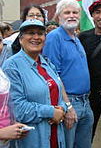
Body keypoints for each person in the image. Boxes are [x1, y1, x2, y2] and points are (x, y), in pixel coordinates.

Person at [2, 19, 66, 148]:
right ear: (20, 39)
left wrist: (63, 109)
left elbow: (59, 95)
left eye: (40, 33)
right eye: (30, 33)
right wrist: (51, 112)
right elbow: (17, 109)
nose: (36, 37)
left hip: (55, 135)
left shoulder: (46, 63)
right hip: (33, 139)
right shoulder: (11, 66)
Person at [43, 0, 94, 148]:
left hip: (85, 102)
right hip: (70, 103)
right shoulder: (54, 38)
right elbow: (53, 76)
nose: (72, 15)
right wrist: (68, 106)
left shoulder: (76, 38)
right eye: (67, 12)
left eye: (75, 12)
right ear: (59, 16)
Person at [78, 0, 101, 148]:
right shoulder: (83, 37)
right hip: (91, 95)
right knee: (87, 134)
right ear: (92, 15)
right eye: (97, 12)